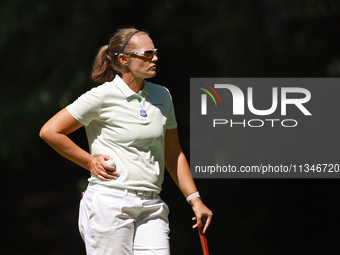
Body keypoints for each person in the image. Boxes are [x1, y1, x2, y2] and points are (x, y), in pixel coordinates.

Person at [39, 27, 212, 255]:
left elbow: (173, 154)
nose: (155, 58)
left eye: (155, 52)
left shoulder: (162, 96)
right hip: (109, 204)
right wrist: (89, 162)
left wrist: (195, 200)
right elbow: (50, 131)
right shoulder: (102, 96)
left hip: (152, 206)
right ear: (123, 59)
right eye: (147, 54)